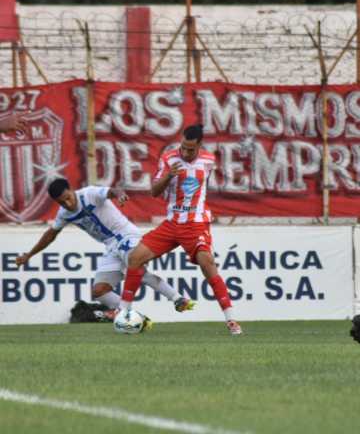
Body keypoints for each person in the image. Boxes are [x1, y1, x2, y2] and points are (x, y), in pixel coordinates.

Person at [118, 124, 242, 335]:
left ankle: (231, 320)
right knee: (135, 257)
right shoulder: (168, 159)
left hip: (195, 224)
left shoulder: (209, 161)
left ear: (199, 146)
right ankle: (123, 313)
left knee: (207, 263)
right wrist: (168, 176)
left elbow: (199, 190)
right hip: (172, 223)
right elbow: (154, 192)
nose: (185, 152)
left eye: (190, 149)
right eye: (183, 147)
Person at [15, 178, 195, 322]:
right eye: (62, 203)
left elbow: (111, 191)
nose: (68, 204)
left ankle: (178, 299)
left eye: (68, 197)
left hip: (126, 235)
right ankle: (133, 317)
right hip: (110, 246)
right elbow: (50, 235)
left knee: (136, 269)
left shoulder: (89, 194)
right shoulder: (64, 214)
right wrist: (29, 255)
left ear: (71, 190)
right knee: (99, 291)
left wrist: (120, 195)